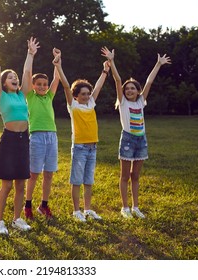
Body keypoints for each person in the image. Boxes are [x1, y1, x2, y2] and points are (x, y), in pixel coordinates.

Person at [101, 46, 171, 219]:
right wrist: (112, 61)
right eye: (127, 89)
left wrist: (158, 64)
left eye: (133, 88)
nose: (129, 90)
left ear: (138, 91)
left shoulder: (141, 102)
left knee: (136, 176)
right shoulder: (123, 102)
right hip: (127, 140)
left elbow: (149, 82)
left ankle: (135, 207)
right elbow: (117, 80)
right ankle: (125, 208)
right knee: (125, 175)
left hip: (141, 141)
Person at [0, 28, 38, 234]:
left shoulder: (22, 95)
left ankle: (17, 219)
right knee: (6, 184)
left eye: (15, 76)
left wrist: (30, 54)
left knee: (20, 185)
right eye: (10, 77)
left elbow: (27, 74)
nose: (14, 78)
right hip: (9, 141)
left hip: (25, 140)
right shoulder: (1, 97)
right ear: (4, 83)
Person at [53, 52, 109, 223]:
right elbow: (65, 85)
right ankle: (76, 211)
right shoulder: (74, 106)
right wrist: (58, 66)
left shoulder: (91, 103)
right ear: (76, 95)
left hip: (93, 147)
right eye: (83, 94)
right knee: (77, 181)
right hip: (79, 148)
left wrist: (105, 71)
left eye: (88, 93)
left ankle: (88, 209)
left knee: (89, 181)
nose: (86, 96)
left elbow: (98, 87)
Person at [24, 48, 61, 220]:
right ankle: (28, 205)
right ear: (33, 86)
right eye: (39, 84)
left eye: (44, 84)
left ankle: (43, 205)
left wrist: (57, 60)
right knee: (34, 174)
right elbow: (28, 73)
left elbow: (57, 78)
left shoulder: (49, 96)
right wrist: (31, 55)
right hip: (37, 137)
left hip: (52, 137)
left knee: (49, 173)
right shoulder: (30, 96)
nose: (42, 87)